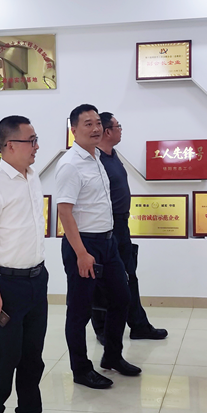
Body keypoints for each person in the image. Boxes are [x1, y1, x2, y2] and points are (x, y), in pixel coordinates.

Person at [0, 116, 58, 413]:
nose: (37, 146)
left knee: (33, 355)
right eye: (31, 140)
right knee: (6, 356)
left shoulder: (31, 175)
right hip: (7, 284)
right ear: (10, 145)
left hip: (36, 279)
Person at [56, 104, 141, 389]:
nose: (95, 129)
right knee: (79, 311)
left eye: (97, 123)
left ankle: (112, 356)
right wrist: (81, 253)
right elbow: (64, 212)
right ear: (74, 130)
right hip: (83, 244)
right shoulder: (70, 164)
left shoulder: (97, 159)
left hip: (108, 241)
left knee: (121, 298)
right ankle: (81, 369)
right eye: (87, 124)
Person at [91, 112, 167, 344]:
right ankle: (102, 328)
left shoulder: (113, 156)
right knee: (103, 279)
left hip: (121, 225)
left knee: (129, 275)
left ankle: (138, 325)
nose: (121, 130)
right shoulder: (96, 161)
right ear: (107, 131)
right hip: (106, 226)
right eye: (118, 126)